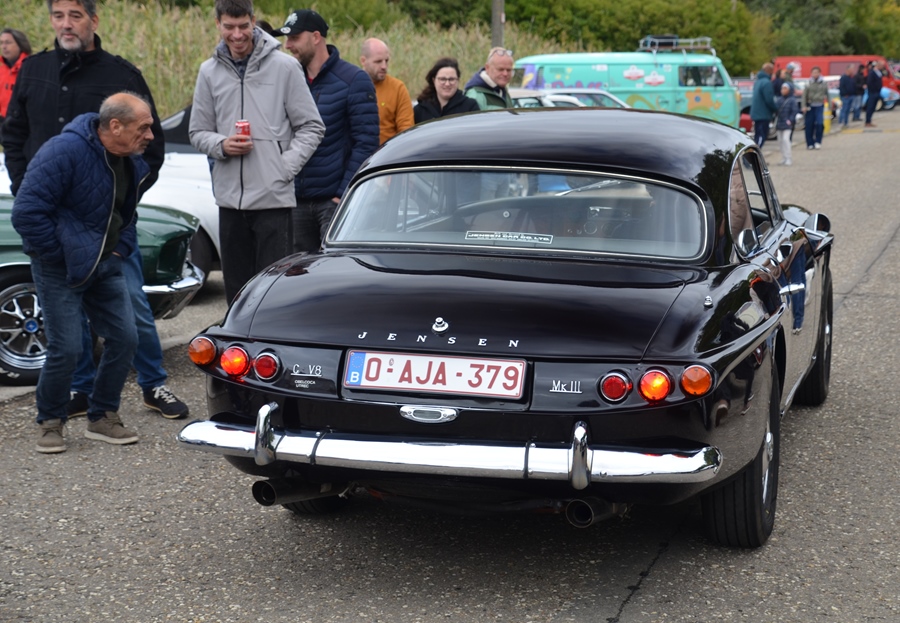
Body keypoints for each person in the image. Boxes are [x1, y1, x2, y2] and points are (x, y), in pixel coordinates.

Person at [2, 0, 191, 420]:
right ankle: (82, 392)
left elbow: (151, 148)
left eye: (75, 15)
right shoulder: (34, 69)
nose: (66, 24)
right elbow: (13, 134)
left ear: (93, 20)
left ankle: (153, 384)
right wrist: (24, 186)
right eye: (58, 16)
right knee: (70, 326)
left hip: (108, 225)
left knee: (133, 313)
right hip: (52, 219)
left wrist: (119, 204)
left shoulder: (121, 75)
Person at [12, 93, 154, 453]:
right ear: (115, 126)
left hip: (106, 264)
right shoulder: (64, 151)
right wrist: (60, 255)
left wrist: (120, 248)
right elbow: (26, 212)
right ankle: (50, 421)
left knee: (126, 338)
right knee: (68, 348)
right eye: (143, 128)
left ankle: (102, 415)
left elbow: (126, 213)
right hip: (60, 267)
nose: (150, 136)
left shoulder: (130, 161)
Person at [190, 0, 325, 302]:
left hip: (273, 201)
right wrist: (221, 145)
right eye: (229, 27)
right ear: (218, 24)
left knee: (272, 296)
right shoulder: (208, 71)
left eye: (243, 26)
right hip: (229, 203)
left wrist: (283, 168)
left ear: (253, 21)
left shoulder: (285, 67)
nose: (237, 34)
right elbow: (197, 132)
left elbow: (312, 126)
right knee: (236, 298)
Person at [276, 9, 379, 253]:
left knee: (333, 270)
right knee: (298, 272)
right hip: (295, 202)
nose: (288, 45)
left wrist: (342, 194)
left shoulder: (353, 79)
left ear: (315, 37)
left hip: (333, 203)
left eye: (294, 38)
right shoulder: (289, 79)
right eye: (287, 39)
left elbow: (366, 142)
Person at [359, 37, 413, 144]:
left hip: (390, 151)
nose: (384, 66)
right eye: (378, 61)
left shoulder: (397, 88)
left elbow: (406, 129)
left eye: (386, 61)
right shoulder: (350, 86)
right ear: (363, 61)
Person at [414, 57, 480, 123]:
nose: (447, 84)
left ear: (458, 80)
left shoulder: (470, 108)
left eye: (451, 79)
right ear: (434, 80)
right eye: (442, 79)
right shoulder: (420, 110)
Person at [0, 28, 31, 126]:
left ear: (20, 45)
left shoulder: (30, 68)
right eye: (1, 43)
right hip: (4, 122)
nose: (4, 47)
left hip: (24, 123)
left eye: (8, 42)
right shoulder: (2, 70)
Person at [749, 62, 777, 148]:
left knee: (757, 134)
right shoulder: (767, 83)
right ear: (770, 71)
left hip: (756, 112)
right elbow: (769, 99)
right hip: (763, 113)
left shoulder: (758, 82)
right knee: (762, 135)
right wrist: (776, 109)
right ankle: (757, 152)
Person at [802, 66, 828, 149]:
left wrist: (829, 105)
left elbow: (827, 94)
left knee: (820, 124)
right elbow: (804, 95)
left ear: (819, 73)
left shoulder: (823, 83)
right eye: (813, 72)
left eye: (817, 72)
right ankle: (810, 143)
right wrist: (803, 106)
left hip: (819, 105)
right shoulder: (808, 83)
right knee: (809, 125)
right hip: (810, 105)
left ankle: (818, 141)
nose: (815, 74)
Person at [775, 82, 799, 166]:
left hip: (787, 123)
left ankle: (788, 158)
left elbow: (794, 111)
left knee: (786, 140)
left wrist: (790, 120)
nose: (783, 90)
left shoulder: (792, 100)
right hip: (779, 123)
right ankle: (784, 157)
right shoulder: (779, 99)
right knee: (780, 141)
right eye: (782, 88)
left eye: (785, 88)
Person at [865, 60, 884, 127]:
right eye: (882, 65)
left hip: (877, 92)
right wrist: (873, 90)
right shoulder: (872, 73)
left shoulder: (879, 72)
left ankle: (869, 121)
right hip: (873, 92)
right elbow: (869, 83)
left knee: (873, 107)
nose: (883, 67)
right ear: (878, 65)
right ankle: (867, 121)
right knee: (870, 107)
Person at [838, 64, 856, 128]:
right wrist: (845, 94)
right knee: (844, 109)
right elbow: (841, 87)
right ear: (848, 69)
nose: (853, 70)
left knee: (848, 110)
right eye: (852, 69)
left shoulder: (851, 77)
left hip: (851, 95)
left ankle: (846, 122)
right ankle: (841, 122)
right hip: (845, 96)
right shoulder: (843, 77)